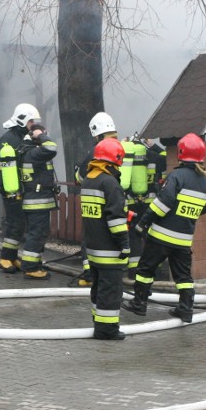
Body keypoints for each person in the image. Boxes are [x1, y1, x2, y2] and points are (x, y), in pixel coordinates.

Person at [123, 133, 206, 323]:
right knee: (183, 276)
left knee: (146, 270)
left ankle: (139, 304)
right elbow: (205, 208)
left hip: (161, 237)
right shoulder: (205, 183)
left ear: (181, 153)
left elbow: (162, 203)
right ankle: (186, 310)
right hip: (183, 239)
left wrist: (143, 223)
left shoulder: (177, 176)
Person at [80, 137, 130, 340]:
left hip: (93, 249)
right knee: (110, 291)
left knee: (98, 288)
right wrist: (125, 244)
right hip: (109, 251)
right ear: (115, 159)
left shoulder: (88, 180)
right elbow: (115, 220)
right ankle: (107, 330)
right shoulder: (110, 183)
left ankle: (98, 323)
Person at [0, 103, 41, 273]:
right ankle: (5, 258)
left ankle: (11, 256)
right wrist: (7, 187)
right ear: (22, 120)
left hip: (20, 189)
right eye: (31, 121)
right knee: (15, 223)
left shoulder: (21, 138)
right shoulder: (9, 138)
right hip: (12, 191)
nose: (33, 124)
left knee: (19, 223)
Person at [74, 111, 120, 286]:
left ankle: (90, 274)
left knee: (91, 235)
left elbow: (81, 176)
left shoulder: (96, 150)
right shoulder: (121, 146)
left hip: (96, 200)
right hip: (117, 199)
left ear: (97, 133)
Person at [17, 123, 58, 279]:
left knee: (39, 233)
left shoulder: (27, 151)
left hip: (36, 200)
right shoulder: (34, 152)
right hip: (38, 201)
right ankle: (30, 267)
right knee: (37, 234)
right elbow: (51, 148)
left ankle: (35, 263)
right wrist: (40, 134)